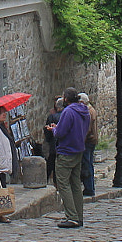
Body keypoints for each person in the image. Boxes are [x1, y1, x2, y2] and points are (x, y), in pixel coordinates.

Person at [51, 87, 90, 227]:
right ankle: (79, 215)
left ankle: (71, 216)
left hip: (66, 151)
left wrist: (54, 129)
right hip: (79, 150)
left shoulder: (68, 111)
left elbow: (60, 133)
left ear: (66, 99)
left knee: (63, 183)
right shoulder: (85, 111)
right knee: (75, 184)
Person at [78, 91, 99, 196]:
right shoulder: (91, 110)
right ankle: (90, 186)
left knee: (87, 164)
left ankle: (89, 188)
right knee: (89, 163)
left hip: (88, 141)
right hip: (92, 140)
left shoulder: (88, 112)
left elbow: (87, 129)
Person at [43, 95, 63, 184]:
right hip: (64, 146)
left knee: (50, 164)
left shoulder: (52, 117)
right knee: (59, 166)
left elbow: (47, 132)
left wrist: (48, 140)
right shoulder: (67, 115)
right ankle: (57, 183)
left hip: (53, 145)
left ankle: (46, 181)